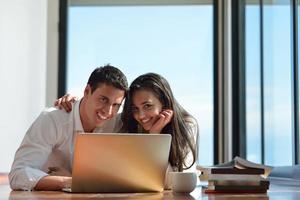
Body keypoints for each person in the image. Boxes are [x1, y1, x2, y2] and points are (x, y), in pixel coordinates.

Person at [57, 73, 198, 189]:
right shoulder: (127, 123)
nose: (141, 116)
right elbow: (115, 173)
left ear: (165, 103)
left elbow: (177, 183)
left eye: (147, 106)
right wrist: (75, 103)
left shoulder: (187, 125)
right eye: (135, 108)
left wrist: (154, 136)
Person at [9, 65, 128, 191]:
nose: (108, 111)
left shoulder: (116, 124)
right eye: (103, 99)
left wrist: (76, 179)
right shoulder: (52, 120)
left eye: (116, 105)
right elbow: (18, 175)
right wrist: (70, 181)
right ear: (87, 91)